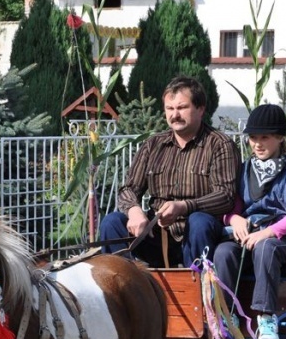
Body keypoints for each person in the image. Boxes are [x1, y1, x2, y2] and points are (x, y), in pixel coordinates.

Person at [98, 76, 240, 268]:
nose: (175, 115)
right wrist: (134, 210)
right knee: (112, 222)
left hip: (201, 236)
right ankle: (124, 291)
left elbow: (225, 196)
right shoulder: (153, 145)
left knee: (198, 221)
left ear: (200, 109)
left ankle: (198, 291)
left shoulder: (220, 144)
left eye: (182, 108)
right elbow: (128, 189)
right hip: (157, 234)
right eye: (170, 109)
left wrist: (183, 206)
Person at [213, 103, 286, 339]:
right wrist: (233, 218)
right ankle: (228, 318)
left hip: (285, 240)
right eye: (253, 138)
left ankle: (267, 318)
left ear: (280, 138)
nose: (257, 144)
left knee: (266, 248)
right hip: (250, 237)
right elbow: (233, 209)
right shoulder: (245, 170)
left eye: (265, 137)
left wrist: (268, 232)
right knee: (224, 251)